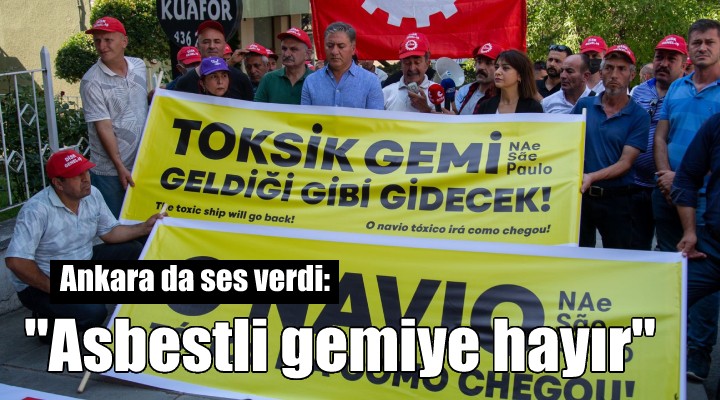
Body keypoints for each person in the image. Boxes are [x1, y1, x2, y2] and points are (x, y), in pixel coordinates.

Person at [4, 149, 165, 340]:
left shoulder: (92, 194)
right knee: (94, 314)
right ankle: (48, 321)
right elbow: (16, 261)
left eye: (86, 171)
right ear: (58, 184)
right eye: (76, 175)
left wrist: (144, 227)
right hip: (45, 280)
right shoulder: (36, 210)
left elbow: (110, 232)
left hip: (80, 266)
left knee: (132, 250)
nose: (85, 179)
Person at [653, 19, 720, 381]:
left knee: (704, 278)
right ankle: (666, 344)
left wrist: (685, 181)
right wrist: (668, 176)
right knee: (669, 271)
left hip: (709, 201)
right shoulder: (677, 87)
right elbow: (660, 136)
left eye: (710, 42)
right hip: (668, 193)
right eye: (697, 42)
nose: (702, 47)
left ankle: (697, 355)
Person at [571, 44, 649, 249]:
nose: (614, 74)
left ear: (632, 75)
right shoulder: (584, 106)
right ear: (601, 72)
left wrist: (591, 177)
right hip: (580, 197)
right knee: (577, 256)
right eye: (609, 68)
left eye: (621, 69)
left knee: (617, 257)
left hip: (618, 199)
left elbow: (625, 163)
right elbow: (567, 144)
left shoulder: (639, 116)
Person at [79, 16, 148, 218]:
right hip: (110, 172)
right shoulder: (91, 82)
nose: (102, 46)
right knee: (117, 226)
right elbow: (103, 127)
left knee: (145, 222)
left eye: (108, 40)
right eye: (97, 41)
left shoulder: (139, 66)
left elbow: (139, 102)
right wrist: (120, 167)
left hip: (141, 164)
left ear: (124, 41)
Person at [629, 35, 687, 251]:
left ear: (684, 64)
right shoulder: (639, 91)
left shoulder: (687, 93)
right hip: (636, 185)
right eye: (659, 57)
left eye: (671, 59)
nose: (663, 63)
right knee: (636, 248)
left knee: (669, 248)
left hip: (669, 187)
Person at [301, 22, 384, 110]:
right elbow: (305, 117)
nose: (334, 52)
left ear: (353, 49)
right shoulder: (311, 81)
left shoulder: (371, 82)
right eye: (330, 46)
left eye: (341, 46)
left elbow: (376, 118)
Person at [173, 20, 253, 100]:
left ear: (224, 46)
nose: (212, 46)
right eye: (206, 42)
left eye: (217, 42)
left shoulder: (241, 79)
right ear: (198, 46)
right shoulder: (184, 83)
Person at [254, 27, 314, 105]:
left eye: (293, 49)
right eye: (284, 49)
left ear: (307, 54)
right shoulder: (269, 79)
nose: (287, 54)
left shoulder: (317, 81)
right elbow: (257, 109)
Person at [475, 49, 543, 114]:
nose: (497, 72)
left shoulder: (533, 108)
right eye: (496, 67)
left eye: (505, 68)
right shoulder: (485, 106)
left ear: (520, 75)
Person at [383, 33, 434, 112]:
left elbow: (446, 120)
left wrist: (427, 110)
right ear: (401, 64)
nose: (412, 68)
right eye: (407, 63)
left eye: (417, 62)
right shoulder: (386, 93)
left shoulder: (440, 93)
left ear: (427, 63)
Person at [455, 42, 502, 115]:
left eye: (488, 63)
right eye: (479, 61)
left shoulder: (503, 98)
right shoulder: (465, 91)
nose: (481, 67)